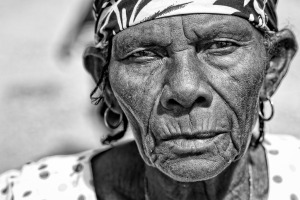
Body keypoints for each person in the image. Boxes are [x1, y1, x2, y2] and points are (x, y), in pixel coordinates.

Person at [1, 0, 299, 199]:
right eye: (143, 54)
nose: (184, 89)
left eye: (221, 46)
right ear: (104, 82)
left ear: (272, 67)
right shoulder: (31, 193)